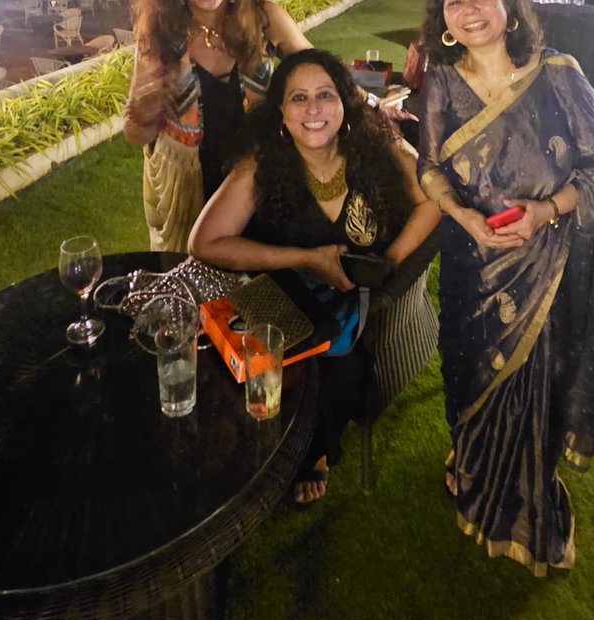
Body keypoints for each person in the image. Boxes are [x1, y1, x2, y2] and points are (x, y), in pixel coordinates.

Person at [417, 0, 594, 576]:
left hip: (550, 267)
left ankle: (531, 503)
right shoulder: (441, 84)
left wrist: (546, 211)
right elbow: (429, 168)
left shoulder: (559, 75)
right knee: (468, 373)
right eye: (455, 2)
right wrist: (461, 219)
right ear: (446, 20)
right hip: (471, 264)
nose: (469, 10)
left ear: (509, 6)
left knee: (536, 382)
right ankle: (470, 465)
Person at [189, 49, 441, 504]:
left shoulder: (377, 148)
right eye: (298, 98)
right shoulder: (262, 166)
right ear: (281, 113)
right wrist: (303, 260)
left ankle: (316, 454)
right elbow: (205, 242)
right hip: (283, 293)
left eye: (325, 95)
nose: (313, 109)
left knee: (339, 370)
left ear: (345, 102)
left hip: (354, 298)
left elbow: (435, 200)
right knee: (248, 363)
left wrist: (389, 263)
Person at [124, 0, 312, 254]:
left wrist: (374, 105)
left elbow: (320, 74)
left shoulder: (264, 19)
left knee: (264, 294)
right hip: (192, 201)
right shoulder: (160, 37)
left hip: (260, 188)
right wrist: (146, 107)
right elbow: (136, 134)